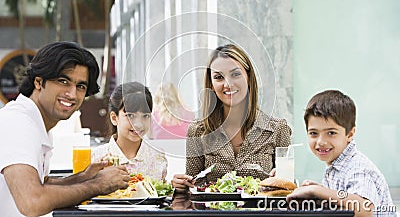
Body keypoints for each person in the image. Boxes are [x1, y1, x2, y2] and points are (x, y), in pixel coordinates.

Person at [0, 42, 130, 217]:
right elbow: (32, 202)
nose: (72, 94)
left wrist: (83, 177)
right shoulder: (18, 122)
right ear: (38, 82)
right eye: (63, 81)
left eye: (80, 87)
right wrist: (98, 185)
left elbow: (42, 183)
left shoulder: (37, 123)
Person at [172, 44, 292, 191]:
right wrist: (181, 185)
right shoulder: (197, 131)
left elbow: (287, 189)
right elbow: (193, 187)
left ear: (248, 77)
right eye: (218, 77)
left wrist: (283, 177)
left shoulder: (278, 129)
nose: (227, 84)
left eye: (235, 74)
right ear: (211, 84)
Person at [287, 90, 395, 217]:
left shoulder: (356, 167)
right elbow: (344, 197)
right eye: (314, 133)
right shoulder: (337, 164)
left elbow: (365, 208)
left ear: (350, 134)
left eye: (331, 133)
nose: (321, 142)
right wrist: (322, 191)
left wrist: (316, 190)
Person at [92, 82, 167, 180]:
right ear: (114, 118)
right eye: (130, 115)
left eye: (145, 116)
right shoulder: (98, 157)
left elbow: (162, 191)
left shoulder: (158, 156)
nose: (138, 124)